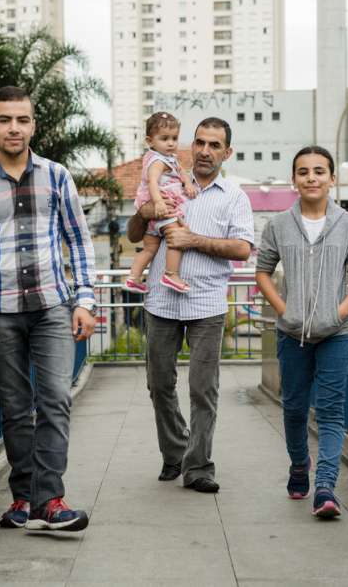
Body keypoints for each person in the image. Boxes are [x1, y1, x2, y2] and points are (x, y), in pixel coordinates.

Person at [0, 85, 97, 531]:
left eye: (22, 120)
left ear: (33, 125)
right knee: (15, 407)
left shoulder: (56, 176)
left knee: (55, 399)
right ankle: (23, 498)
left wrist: (85, 299)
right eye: (5, 120)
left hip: (54, 305)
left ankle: (50, 500)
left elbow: (79, 240)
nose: (14, 128)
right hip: (0, 312)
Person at [126, 117, 253, 492]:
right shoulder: (163, 179)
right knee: (159, 384)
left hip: (207, 304)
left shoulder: (234, 196)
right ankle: (174, 453)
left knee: (203, 389)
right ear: (190, 145)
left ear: (226, 152)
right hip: (161, 302)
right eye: (199, 142)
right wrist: (145, 212)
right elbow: (135, 235)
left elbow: (243, 248)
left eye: (215, 145)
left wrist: (193, 239)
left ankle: (198, 467)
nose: (205, 151)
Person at [254, 145, 348, 518]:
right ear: (294, 179)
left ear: (331, 179)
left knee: (331, 410)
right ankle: (299, 465)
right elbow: (263, 271)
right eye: (303, 172)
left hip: (337, 333)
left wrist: (339, 312)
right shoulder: (278, 225)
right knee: (293, 409)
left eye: (319, 171)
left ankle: (325, 488)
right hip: (292, 333)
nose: (311, 178)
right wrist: (284, 310)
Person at [125, 111, 198, 294]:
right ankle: (171, 274)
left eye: (174, 138)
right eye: (164, 138)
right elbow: (152, 182)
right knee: (177, 237)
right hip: (163, 210)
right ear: (150, 141)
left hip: (155, 218)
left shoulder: (170, 158)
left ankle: (133, 278)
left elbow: (181, 172)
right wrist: (158, 203)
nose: (171, 143)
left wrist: (187, 183)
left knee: (149, 248)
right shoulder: (157, 161)